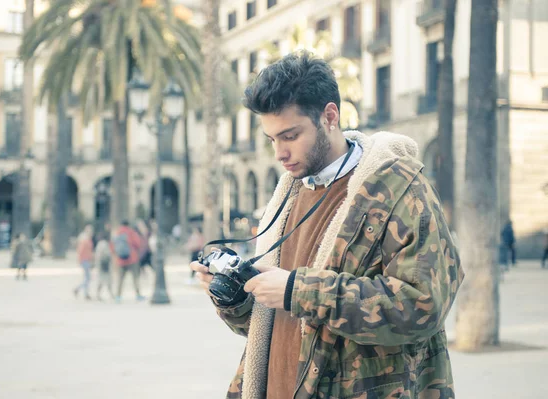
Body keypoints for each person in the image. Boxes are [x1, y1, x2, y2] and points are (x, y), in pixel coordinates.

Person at [190, 52, 464, 398]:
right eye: (272, 139)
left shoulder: (399, 188)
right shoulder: (288, 195)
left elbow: (424, 305)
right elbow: (280, 326)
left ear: (329, 116)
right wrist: (237, 295)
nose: (279, 153)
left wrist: (297, 290)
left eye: (290, 136)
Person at [112, 220, 145, 303]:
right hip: (132, 259)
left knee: (120, 279)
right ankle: (138, 295)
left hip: (120, 260)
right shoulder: (131, 232)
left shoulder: (117, 232)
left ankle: (118, 296)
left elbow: (112, 246)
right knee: (135, 278)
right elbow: (137, 243)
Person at [74, 224, 94, 300]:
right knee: (88, 278)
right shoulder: (85, 240)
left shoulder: (88, 239)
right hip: (84, 260)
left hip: (87, 260)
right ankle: (78, 289)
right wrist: (79, 259)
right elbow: (80, 250)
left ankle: (86, 293)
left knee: (87, 277)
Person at [94, 232, 114, 300]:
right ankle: (109, 293)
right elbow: (107, 253)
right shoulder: (104, 244)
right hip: (105, 264)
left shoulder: (99, 244)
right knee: (107, 279)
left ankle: (99, 294)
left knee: (101, 280)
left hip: (100, 264)